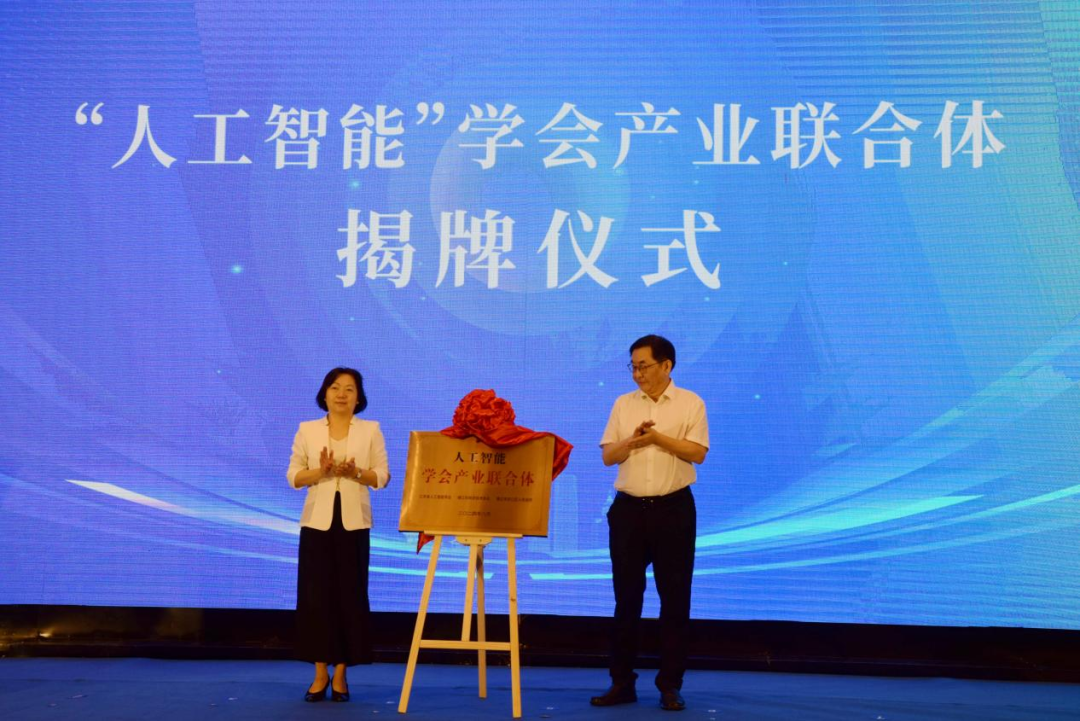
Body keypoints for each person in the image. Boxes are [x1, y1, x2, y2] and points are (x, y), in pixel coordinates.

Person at [591, 335, 709, 712]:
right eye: (633, 366)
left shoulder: (690, 402)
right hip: (628, 511)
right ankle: (621, 682)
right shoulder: (623, 404)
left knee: (674, 599)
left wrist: (658, 438)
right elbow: (608, 456)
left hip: (674, 509)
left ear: (666, 365)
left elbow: (698, 453)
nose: (637, 373)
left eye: (643, 366)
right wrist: (633, 442)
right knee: (626, 599)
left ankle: (670, 685)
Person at [286, 367, 390, 703]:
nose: (341, 394)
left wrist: (355, 472)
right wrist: (322, 471)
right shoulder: (307, 429)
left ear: (358, 397)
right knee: (316, 599)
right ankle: (320, 674)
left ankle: (342, 674)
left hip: (353, 525)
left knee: (350, 597)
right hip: (316, 525)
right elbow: (294, 477)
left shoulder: (371, 430)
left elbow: (382, 477)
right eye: (335, 387)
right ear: (324, 394)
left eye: (349, 389)